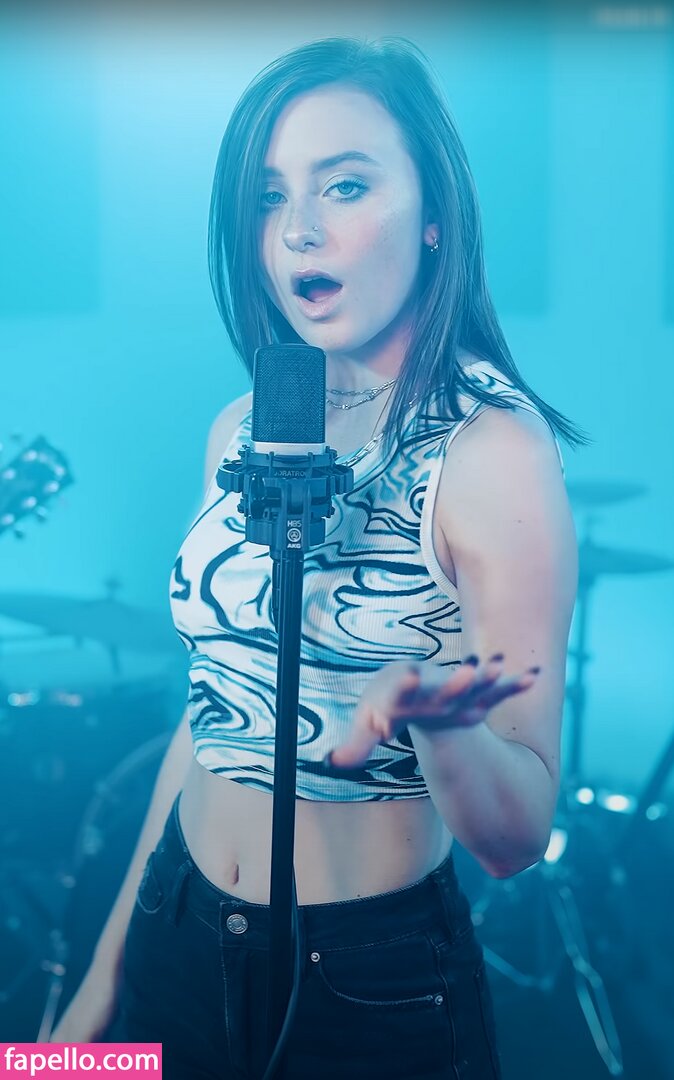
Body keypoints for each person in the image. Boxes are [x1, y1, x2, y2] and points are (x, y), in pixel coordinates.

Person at [51, 35, 582, 1079]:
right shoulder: (245, 425)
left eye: (344, 185)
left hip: (366, 982)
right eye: (268, 196)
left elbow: (516, 836)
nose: (297, 229)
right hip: (173, 925)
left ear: (433, 215)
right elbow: (208, 724)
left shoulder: (492, 453)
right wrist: (96, 996)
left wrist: (436, 724)